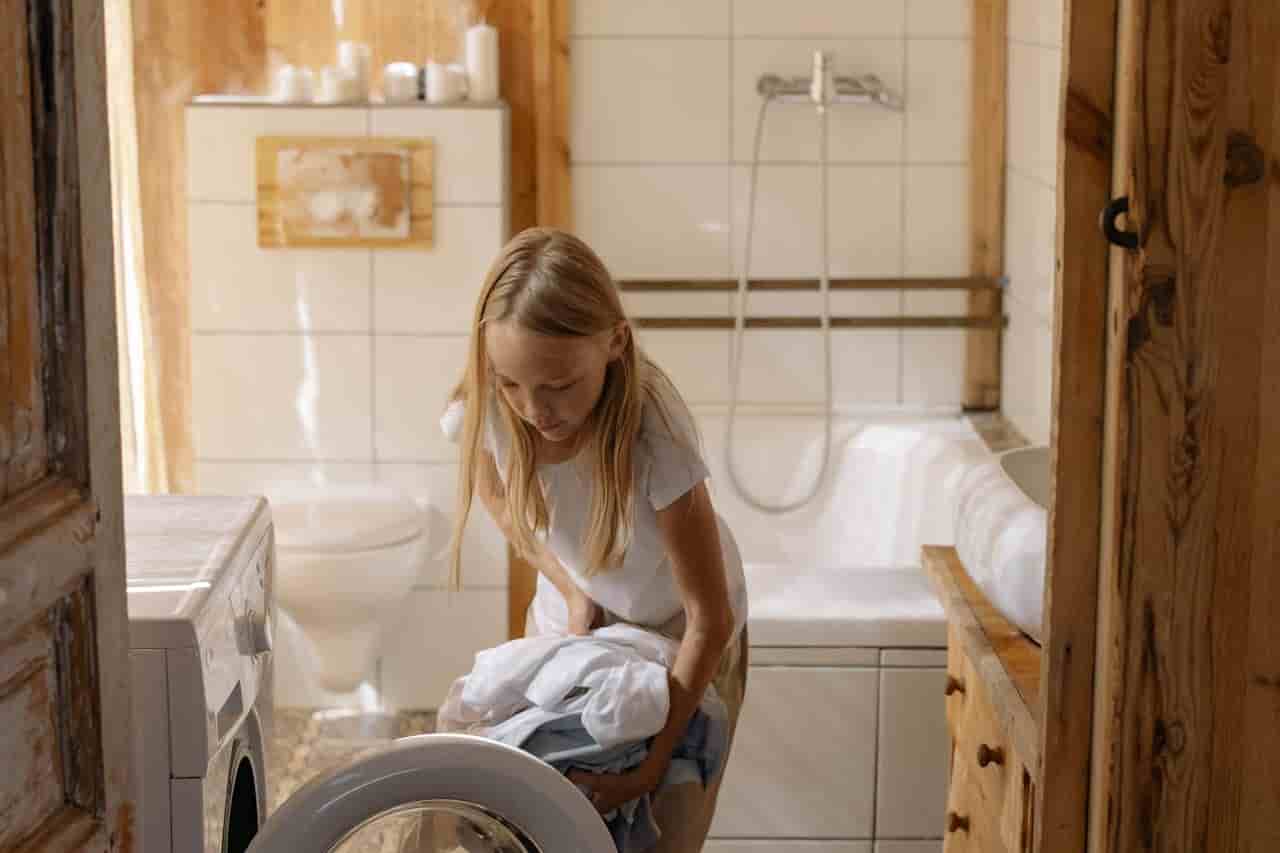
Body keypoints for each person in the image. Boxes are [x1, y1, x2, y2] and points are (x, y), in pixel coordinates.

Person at [442, 227, 749, 851]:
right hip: (574, 618)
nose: (535, 408)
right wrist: (569, 590)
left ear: (615, 343)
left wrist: (649, 768)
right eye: (511, 384)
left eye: (559, 385)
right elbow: (500, 500)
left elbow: (708, 618)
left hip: (681, 636)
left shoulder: (654, 434)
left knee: (660, 834)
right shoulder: (487, 404)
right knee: (534, 826)